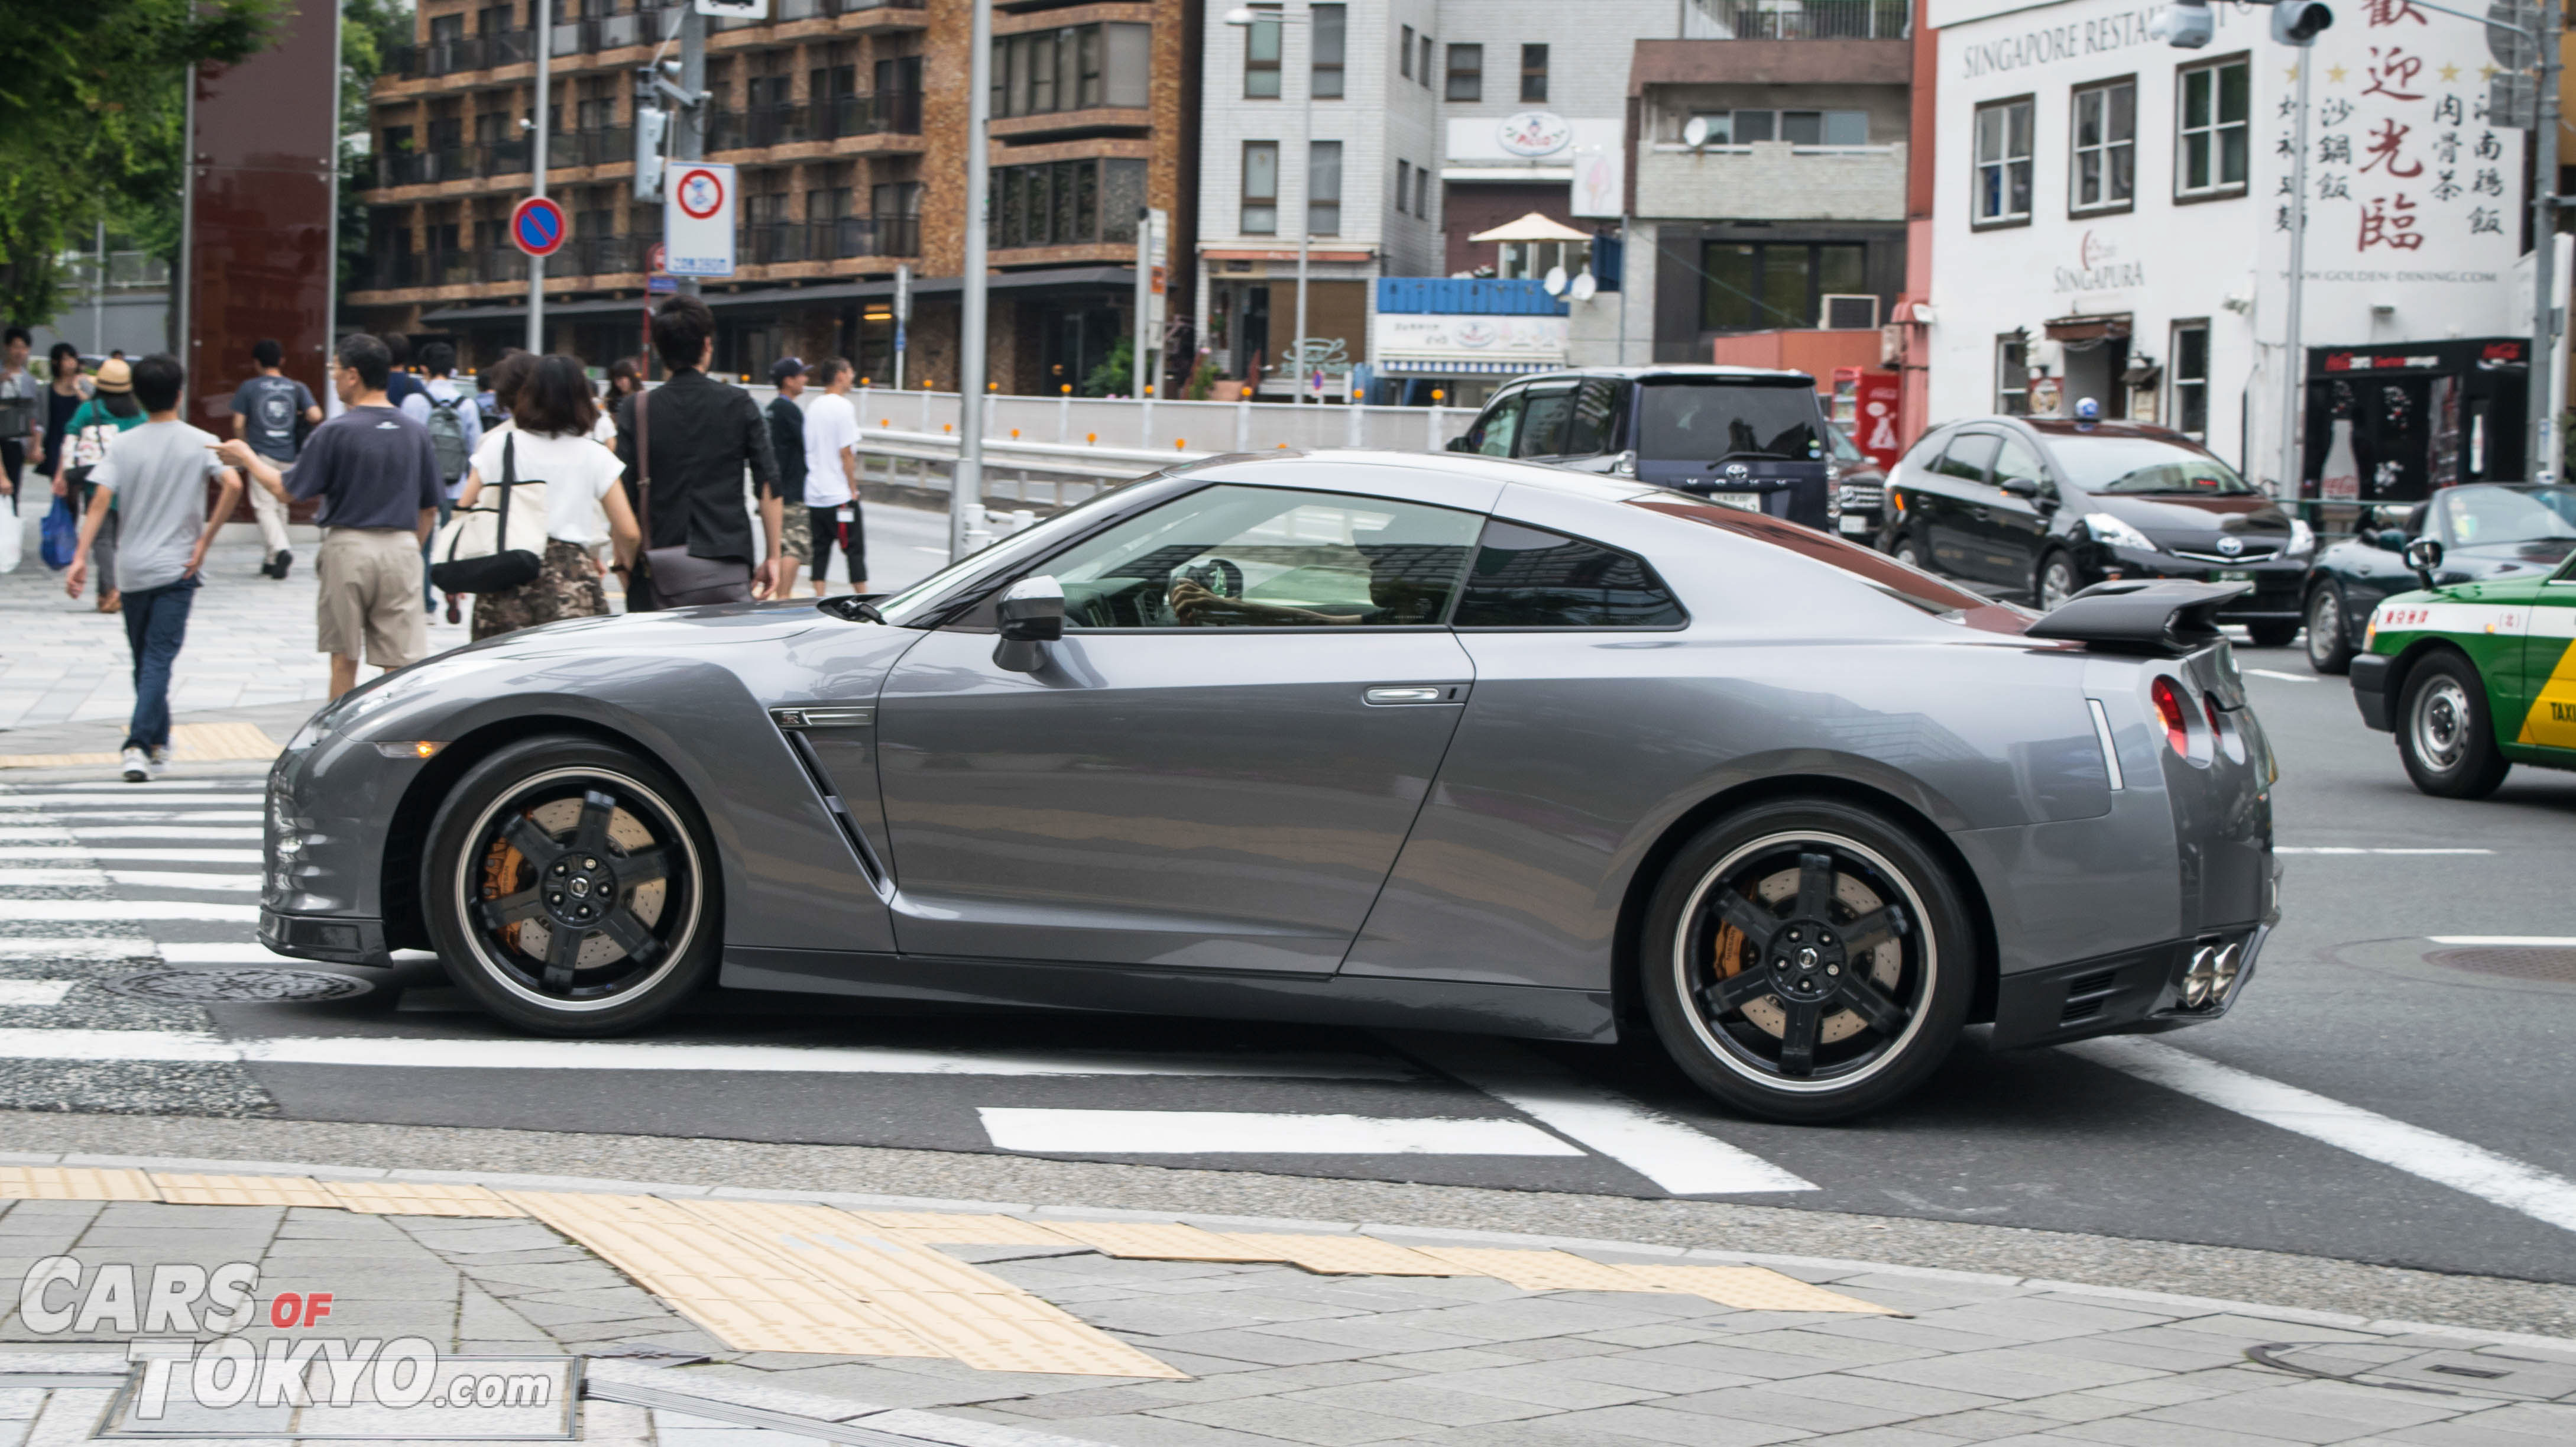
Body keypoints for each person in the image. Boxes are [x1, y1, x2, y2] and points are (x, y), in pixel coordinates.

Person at [217, 334, 440, 699]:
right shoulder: (415, 432)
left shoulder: (336, 431)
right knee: (401, 663)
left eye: (335, 369)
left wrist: (246, 457)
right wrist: (408, 548)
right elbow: (429, 507)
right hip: (402, 547)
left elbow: (285, 490)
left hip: (349, 547)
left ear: (353, 375)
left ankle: (340, 741)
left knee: (344, 658)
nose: (333, 378)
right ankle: (399, 741)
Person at [61, 354, 243, 782]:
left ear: (139, 398)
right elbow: (233, 483)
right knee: (156, 661)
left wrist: (80, 557)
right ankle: (146, 743)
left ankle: (145, 743)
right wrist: (205, 540)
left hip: (132, 569)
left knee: (145, 660)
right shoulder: (201, 439)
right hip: (179, 568)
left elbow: (100, 501)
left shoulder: (123, 445)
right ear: (179, 394)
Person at [610, 295, 784, 610]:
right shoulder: (739, 402)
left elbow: (622, 493)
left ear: (661, 351)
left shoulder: (637, 408)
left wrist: (623, 561)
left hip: (656, 564)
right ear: (707, 344)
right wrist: (773, 556)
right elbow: (768, 482)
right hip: (727, 560)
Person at [452, 355, 640, 639]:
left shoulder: (500, 446)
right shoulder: (594, 454)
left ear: (528, 394)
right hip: (571, 580)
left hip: (507, 573)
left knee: (499, 672)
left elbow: (464, 508)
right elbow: (628, 531)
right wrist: (623, 564)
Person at [229, 338, 322, 580]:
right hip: (289, 453)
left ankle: (281, 550)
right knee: (281, 504)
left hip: (261, 454)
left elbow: (238, 423)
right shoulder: (296, 387)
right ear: (281, 361)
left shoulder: (249, 387)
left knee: (263, 506)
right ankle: (272, 560)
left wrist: (245, 447)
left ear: (256, 363)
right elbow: (316, 415)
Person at [56, 359, 144, 612]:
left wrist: (62, 474)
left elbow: (71, 435)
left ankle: (110, 591)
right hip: (131, 484)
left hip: (98, 481)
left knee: (103, 539)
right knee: (120, 539)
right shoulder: (139, 414)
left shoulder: (89, 409)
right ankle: (108, 593)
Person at [403, 341, 484, 614]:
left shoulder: (414, 401)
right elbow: (475, 448)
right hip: (457, 486)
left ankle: (425, 601)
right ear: (452, 369)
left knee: (422, 543)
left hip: (421, 486)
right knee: (452, 544)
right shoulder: (467, 404)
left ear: (424, 368)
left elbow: (406, 445)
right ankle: (452, 588)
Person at [798, 357, 866, 597]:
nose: (852, 377)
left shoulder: (813, 406)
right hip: (839, 495)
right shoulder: (843, 407)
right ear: (839, 375)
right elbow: (846, 452)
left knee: (820, 549)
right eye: (849, 373)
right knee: (854, 549)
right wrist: (853, 488)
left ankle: (819, 595)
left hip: (815, 492)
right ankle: (862, 595)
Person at [765, 356, 810, 595]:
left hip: (774, 489)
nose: (805, 379)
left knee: (780, 546)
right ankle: (783, 597)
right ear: (788, 381)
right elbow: (807, 446)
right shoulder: (790, 410)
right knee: (794, 547)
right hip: (793, 489)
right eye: (801, 375)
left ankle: (780, 595)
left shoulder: (771, 410)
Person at [35, 345, 90, 500]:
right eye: (65, 359)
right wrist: (37, 445)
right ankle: (62, 522)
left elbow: (93, 406)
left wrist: (78, 389)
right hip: (55, 442)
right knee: (59, 488)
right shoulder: (47, 390)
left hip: (79, 442)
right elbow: (41, 420)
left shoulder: (84, 383)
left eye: (72, 358)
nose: (70, 363)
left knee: (74, 489)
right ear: (56, 362)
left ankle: (69, 521)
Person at [0, 326, 35, 503]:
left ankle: (10, 526)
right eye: (16, 347)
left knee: (14, 488)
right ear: (7, 347)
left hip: (16, 440)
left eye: (24, 348)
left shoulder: (29, 380)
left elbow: (33, 414)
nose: (20, 352)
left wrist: (34, 442)